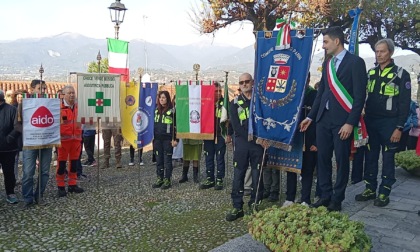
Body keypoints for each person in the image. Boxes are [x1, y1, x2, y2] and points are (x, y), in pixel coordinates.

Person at [300, 26, 367, 212]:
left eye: (326, 41)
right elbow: (321, 93)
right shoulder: (328, 63)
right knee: (322, 159)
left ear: (337, 41)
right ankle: (325, 195)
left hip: (342, 122)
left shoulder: (355, 63)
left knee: (341, 160)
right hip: (323, 120)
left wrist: (350, 123)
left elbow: (360, 97)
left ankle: (337, 199)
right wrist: (311, 118)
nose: (323, 46)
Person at [355, 39, 411, 207]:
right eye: (377, 51)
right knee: (370, 156)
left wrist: (399, 128)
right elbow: (363, 96)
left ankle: (384, 192)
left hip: (390, 123)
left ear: (390, 53)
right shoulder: (370, 73)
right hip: (371, 121)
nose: (379, 55)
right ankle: (370, 188)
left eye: (382, 51)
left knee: (387, 159)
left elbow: (404, 104)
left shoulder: (401, 74)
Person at [226, 73, 268, 221]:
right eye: (241, 82)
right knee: (238, 176)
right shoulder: (234, 103)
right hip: (243, 144)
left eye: (246, 81)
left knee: (257, 176)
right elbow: (236, 127)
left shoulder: (260, 102)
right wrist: (256, 139)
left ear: (252, 82)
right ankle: (237, 206)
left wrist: (262, 139)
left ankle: (254, 204)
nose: (244, 84)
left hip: (258, 146)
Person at [283, 73, 318, 207]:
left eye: (305, 78)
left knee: (307, 170)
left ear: (309, 79)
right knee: (290, 169)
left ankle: (305, 199)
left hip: (309, 139)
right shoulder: (290, 95)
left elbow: (318, 120)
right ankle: (290, 198)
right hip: (293, 139)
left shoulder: (314, 94)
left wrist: (316, 141)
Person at [18, 80, 53, 207]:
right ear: (32, 89)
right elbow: (17, 124)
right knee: (28, 172)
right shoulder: (24, 104)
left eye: (44, 88)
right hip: (30, 142)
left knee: (44, 171)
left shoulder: (51, 103)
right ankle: (27, 198)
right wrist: (28, 131)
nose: (42, 91)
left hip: (46, 142)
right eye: (40, 88)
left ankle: (39, 195)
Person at [199, 82, 229, 190]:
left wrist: (228, 134)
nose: (218, 93)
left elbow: (228, 120)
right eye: (215, 91)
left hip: (220, 135)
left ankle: (220, 179)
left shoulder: (225, 104)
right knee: (208, 157)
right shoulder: (207, 103)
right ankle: (210, 178)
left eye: (220, 91)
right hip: (209, 134)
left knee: (220, 157)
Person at [56, 85, 84, 197]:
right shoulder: (58, 107)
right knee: (61, 164)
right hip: (63, 142)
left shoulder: (79, 107)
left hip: (76, 140)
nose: (72, 95)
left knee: (74, 164)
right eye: (69, 93)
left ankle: (72, 184)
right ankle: (61, 186)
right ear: (64, 94)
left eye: (73, 93)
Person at [152, 91, 178, 189]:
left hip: (168, 140)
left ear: (167, 98)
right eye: (160, 98)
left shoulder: (172, 111)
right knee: (159, 160)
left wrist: (176, 139)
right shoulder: (155, 110)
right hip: (157, 140)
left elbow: (176, 126)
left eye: (163, 97)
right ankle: (160, 178)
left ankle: (167, 179)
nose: (161, 99)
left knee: (167, 161)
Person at [0, 89, 20, 204]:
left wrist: (8, 139)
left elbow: (17, 127)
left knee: (9, 173)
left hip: (8, 148)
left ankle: (10, 193)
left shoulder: (12, 110)